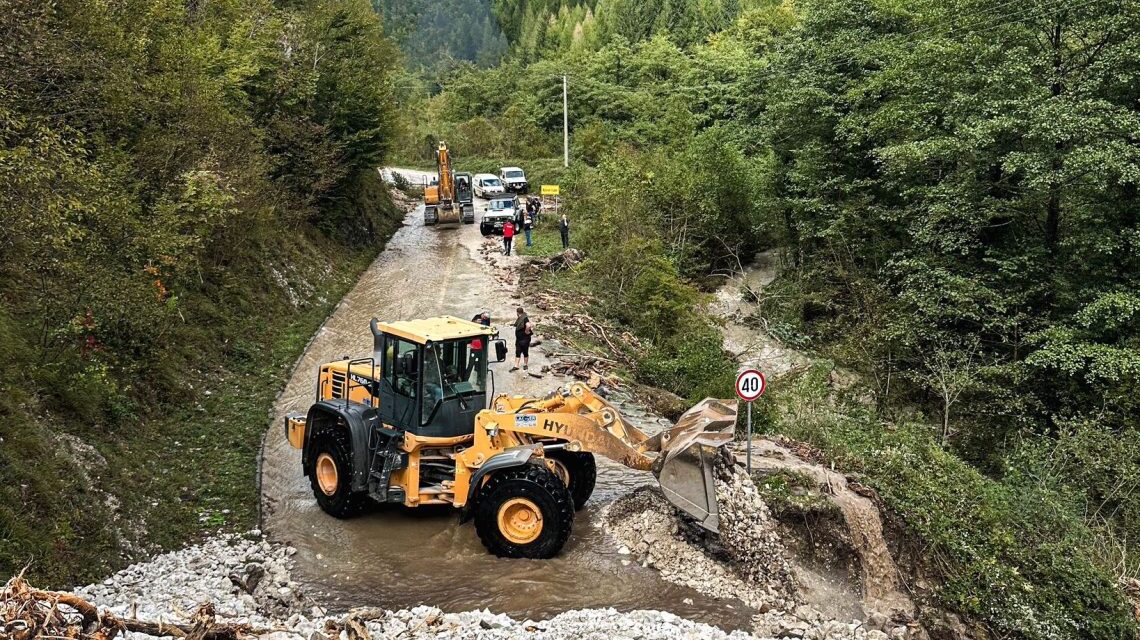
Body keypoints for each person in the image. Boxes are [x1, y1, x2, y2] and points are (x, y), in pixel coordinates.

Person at [510, 307, 533, 372]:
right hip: (520, 339)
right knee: (519, 351)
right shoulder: (522, 317)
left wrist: (526, 331)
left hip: (525, 339)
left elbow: (528, 325)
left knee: (523, 351)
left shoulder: (525, 318)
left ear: (517, 312)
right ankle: (517, 366)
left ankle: (524, 365)